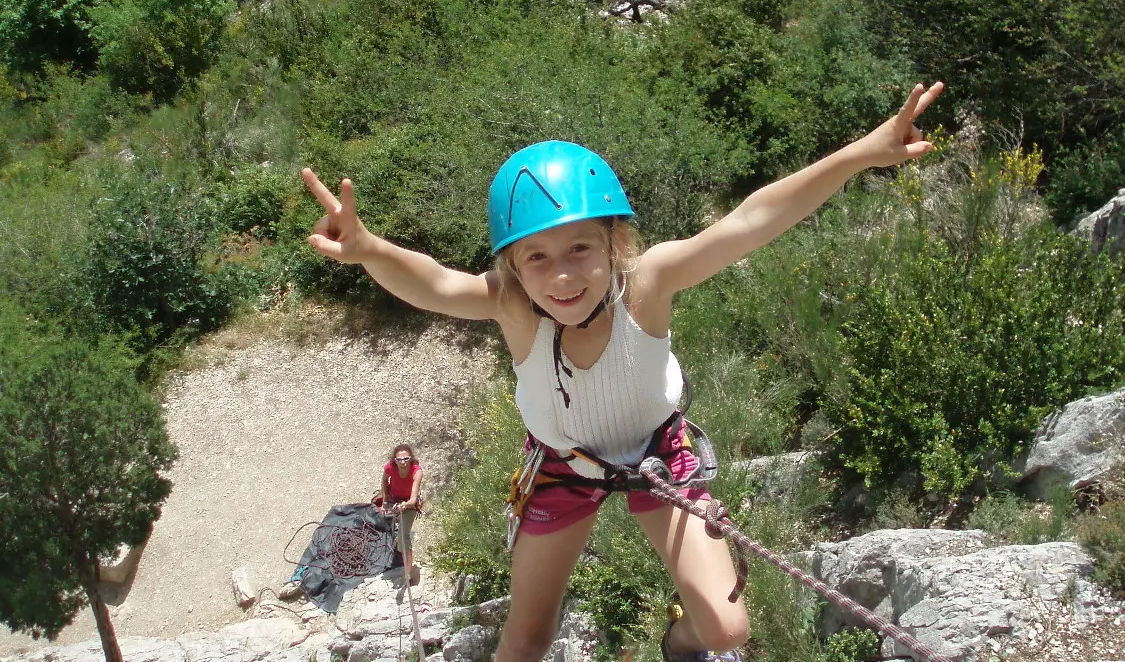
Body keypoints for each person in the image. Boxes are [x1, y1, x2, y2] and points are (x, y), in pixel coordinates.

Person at [302, 81, 942, 662]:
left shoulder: (648, 284)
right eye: (538, 257)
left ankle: (679, 642)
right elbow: (435, 283)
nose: (562, 274)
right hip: (561, 466)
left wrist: (860, 153)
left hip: (657, 454)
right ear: (515, 268)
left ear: (614, 243)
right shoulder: (513, 306)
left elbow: (752, 220)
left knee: (726, 630)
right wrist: (369, 250)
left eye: (581, 247)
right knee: (526, 639)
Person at [377, 443, 423, 575]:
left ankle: (408, 574)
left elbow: (413, 498)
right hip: (393, 499)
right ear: (394, 460)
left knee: (404, 537)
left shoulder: (416, 471)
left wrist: (405, 505)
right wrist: (385, 500)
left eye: (406, 459)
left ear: (411, 459)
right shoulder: (390, 467)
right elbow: (385, 481)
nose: (403, 462)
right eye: (399, 460)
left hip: (408, 504)